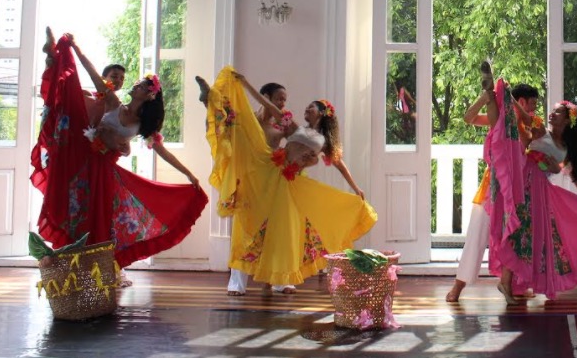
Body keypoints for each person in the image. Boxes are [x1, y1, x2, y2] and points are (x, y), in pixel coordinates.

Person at [31, 30, 207, 286]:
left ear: (149, 95)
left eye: (142, 85)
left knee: (101, 218)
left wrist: (189, 174)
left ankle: (101, 268)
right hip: (84, 162)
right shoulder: (113, 102)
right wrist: (77, 49)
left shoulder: (143, 126)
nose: (135, 84)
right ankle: (52, 57)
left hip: (105, 173)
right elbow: (93, 74)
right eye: (136, 82)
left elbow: (163, 152)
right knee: (74, 208)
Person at [204, 67, 376, 293]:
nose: (306, 108)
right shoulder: (291, 125)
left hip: (292, 183)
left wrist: (355, 187)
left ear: (322, 114)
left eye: (311, 107)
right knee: (250, 222)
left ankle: (281, 279)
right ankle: (238, 282)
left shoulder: (323, 141)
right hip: (272, 175)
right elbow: (268, 107)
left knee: (284, 230)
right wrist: (245, 84)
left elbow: (339, 164)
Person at [482, 62, 577, 303]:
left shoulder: (566, 149)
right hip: (525, 184)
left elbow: (575, 178)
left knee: (530, 237)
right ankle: (506, 283)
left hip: (541, 193)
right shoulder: (541, 130)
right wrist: (508, 95)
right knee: (518, 232)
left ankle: (509, 283)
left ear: (567, 121)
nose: (551, 114)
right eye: (552, 111)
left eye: (557, 112)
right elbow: (521, 116)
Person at [197, 75, 298, 295]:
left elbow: (297, 138)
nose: (282, 103)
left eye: (284, 100)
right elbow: (225, 132)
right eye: (279, 98)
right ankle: (237, 283)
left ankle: (281, 280)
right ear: (266, 97)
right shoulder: (246, 121)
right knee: (245, 229)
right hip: (251, 181)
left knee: (276, 228)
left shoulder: (283, 124)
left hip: (274, 181)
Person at [445, 82, 542, 303]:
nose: (534, 109)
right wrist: (484, 97)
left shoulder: (527, 126)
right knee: (476, 236)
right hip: (492, 190)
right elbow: (468, 118)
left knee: (514, 238)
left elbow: (530, 139)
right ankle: (458, 288)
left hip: (514, 194)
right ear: (522, 101)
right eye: (533, 104)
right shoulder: (498, 119)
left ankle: (510, 285)